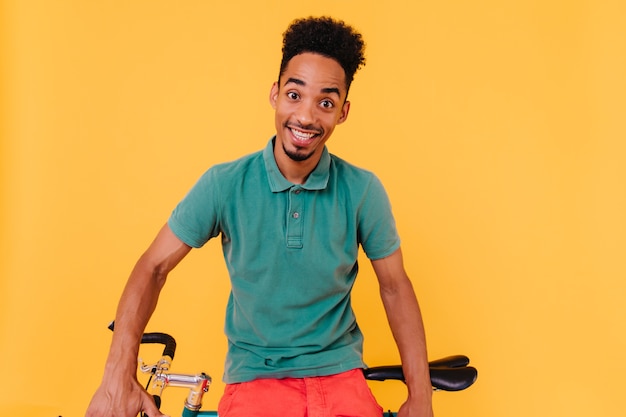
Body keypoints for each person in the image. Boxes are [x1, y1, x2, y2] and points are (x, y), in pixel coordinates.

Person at [86, 16, 433, 417]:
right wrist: (117, 374)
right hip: (256, 381)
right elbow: (153, 267)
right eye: (294, 94)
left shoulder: (362, 190)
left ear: (343, 112)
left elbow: (394, 287)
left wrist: (421, 396)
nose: (305, 116)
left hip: (342, 377)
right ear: (274, 95)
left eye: (326, 102)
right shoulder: (224, 184)